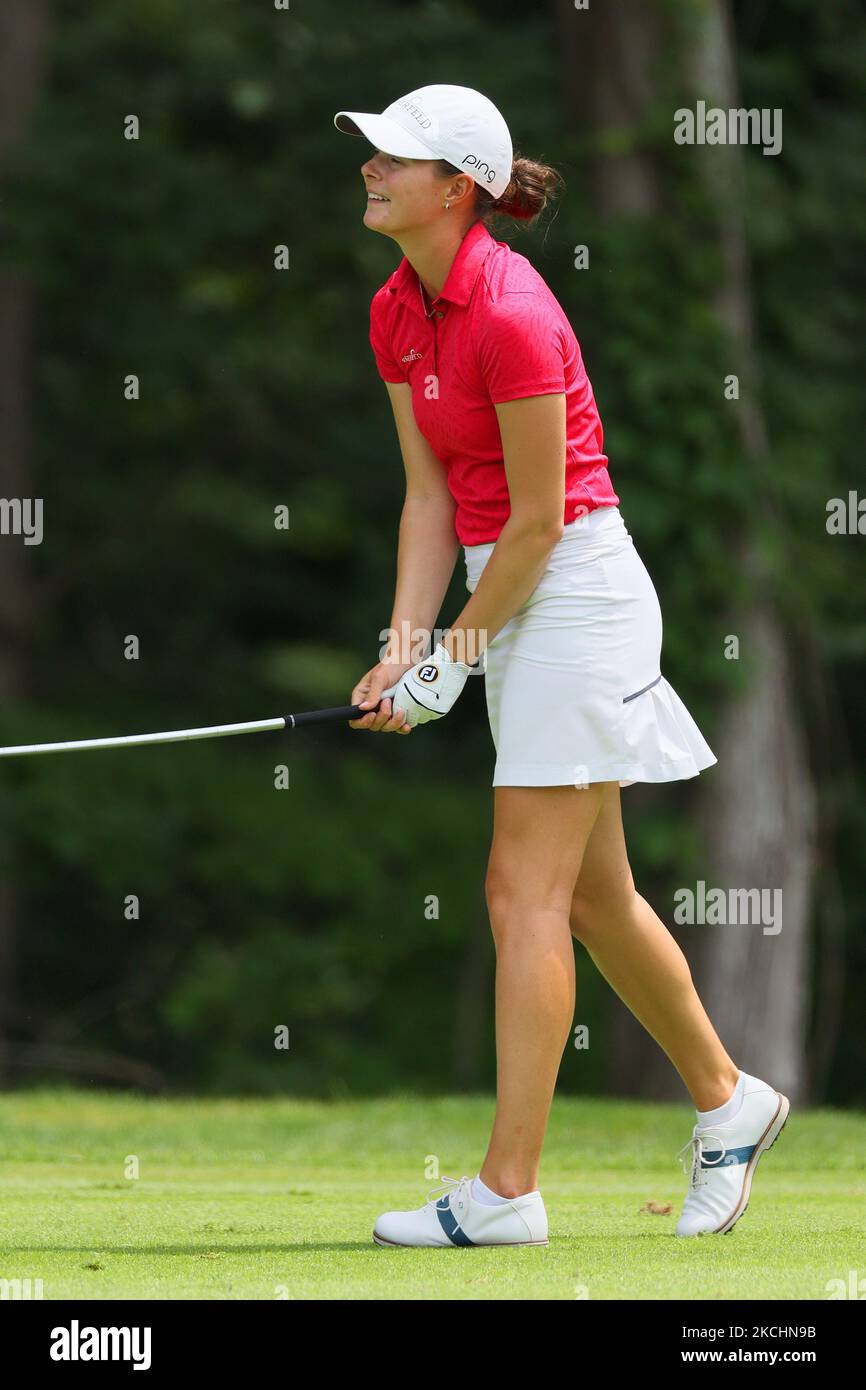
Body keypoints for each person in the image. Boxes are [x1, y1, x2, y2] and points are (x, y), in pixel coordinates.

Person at [334, 85, 789, 1247]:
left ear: (460, 188)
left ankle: (504, 1191)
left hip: (575, 592)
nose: (373, 167)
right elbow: (430, 498)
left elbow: (539, 521)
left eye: (400, 156)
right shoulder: (397, 308)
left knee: (516, 890)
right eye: (373, 151)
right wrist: (403, 651)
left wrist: (454, 655)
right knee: (587, 895)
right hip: (509, 585)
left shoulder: (513, 313)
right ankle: (728, 1102)